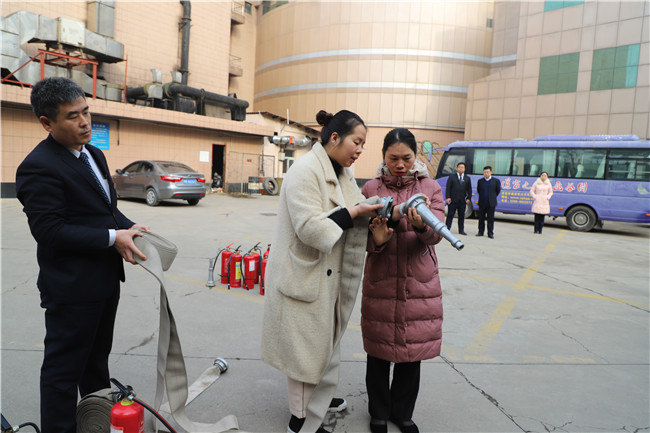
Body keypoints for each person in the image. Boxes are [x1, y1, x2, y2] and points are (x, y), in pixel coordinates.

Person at [15, 77, 149, 433]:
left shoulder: (94, 154)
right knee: (63, 371)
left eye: (86, 112)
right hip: (71, 288)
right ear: (47, 122)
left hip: (105, 281)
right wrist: (113, 237)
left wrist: (129, 227)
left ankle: (95, 421)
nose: (85, 122)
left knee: (96, 363)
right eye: (73, 116)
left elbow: (105, 209)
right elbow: (49, 231)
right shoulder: (39, 166)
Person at [260, 109, 383, 433]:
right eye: (357, 142)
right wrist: (354, 212)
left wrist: (384, 213)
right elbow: (310, 229)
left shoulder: (342, 172)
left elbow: (358, 206)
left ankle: (321, 397)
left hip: (327, 275)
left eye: (363, 144)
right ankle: (299, 419)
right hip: (303, 275)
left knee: (323, 343)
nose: (360, 150)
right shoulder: (304, 171)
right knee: (303, 351)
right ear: (335, 138)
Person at [361, 128, 445, 433]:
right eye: (393, 158)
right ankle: (378, 413)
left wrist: (422, 227)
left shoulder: (431, 187)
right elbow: (358, 238)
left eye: (406, 158)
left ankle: (402, 413)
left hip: (418, 282)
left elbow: (436, 235)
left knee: (412, 354)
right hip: (382, 279)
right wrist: (377, 240)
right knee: (378, 352)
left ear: (415, 156)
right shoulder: (370, 187)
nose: (399, 164)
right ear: (383, 156)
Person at [444, 162, 471, 235]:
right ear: (457, 168)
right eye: (459, 167)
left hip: (462, 201)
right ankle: (447, 229)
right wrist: (448, 197)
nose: (461, 169)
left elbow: (469, 189)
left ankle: (461, 230)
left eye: (462, 167)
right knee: (450, 215)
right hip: (453, 200)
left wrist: (469, 198)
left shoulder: (467, 178)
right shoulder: (452, 177)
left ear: (464, 169)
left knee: (461, 216)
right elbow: (448, 188)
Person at [475, 166, 501, 239]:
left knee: (490, 219)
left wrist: (492, 197)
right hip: (482, 203)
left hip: (491, 203)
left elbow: (497, 191)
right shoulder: (480, 181)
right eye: (485, 172)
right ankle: (480, 232)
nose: (486, 173)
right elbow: (479, 190)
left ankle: (490, 233)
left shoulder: (495, 181)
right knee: (481, 218)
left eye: (487, 172)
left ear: (491, 172)